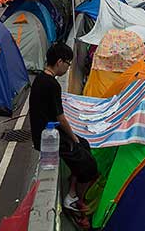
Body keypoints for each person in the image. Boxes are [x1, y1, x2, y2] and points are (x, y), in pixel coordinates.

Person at [29, 43, 98, 223]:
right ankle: (73, 200)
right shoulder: (52, 85)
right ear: (59, 62)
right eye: (68, 63)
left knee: (84, 145)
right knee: (89, 165)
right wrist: (73, 137)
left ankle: (73, 190)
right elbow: (61, 117)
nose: (68, 68)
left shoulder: (40, 79)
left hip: (45, 132)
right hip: (49, 137)